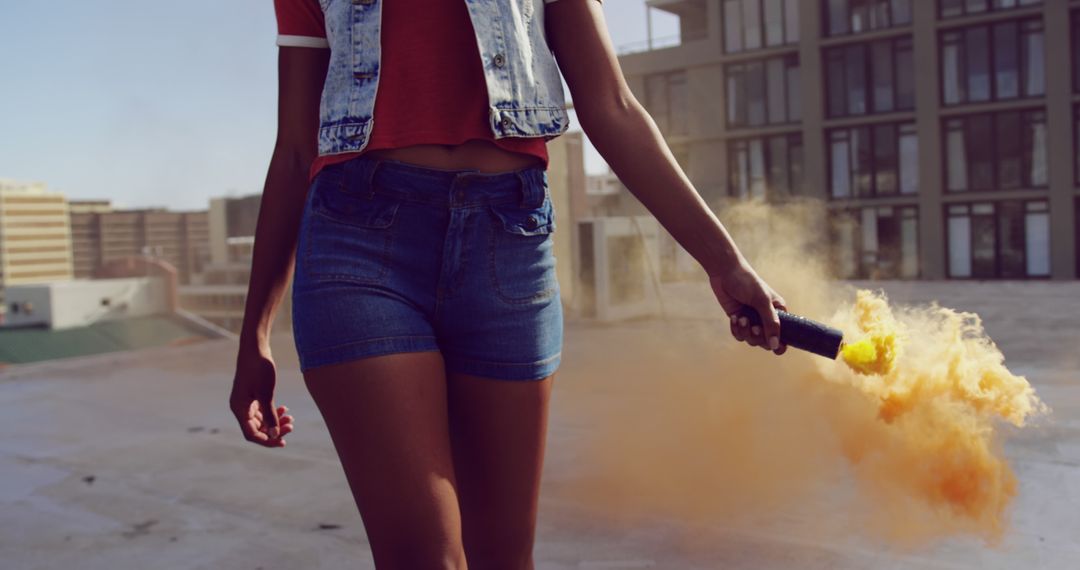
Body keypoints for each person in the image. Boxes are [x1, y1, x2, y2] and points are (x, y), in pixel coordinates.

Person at [229, 0, 788, 567]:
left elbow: (612, 108)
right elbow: (296, 146)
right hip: (359, 245)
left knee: (503, 559)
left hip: (508, 244)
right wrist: (254, 335)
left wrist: (725, 261)